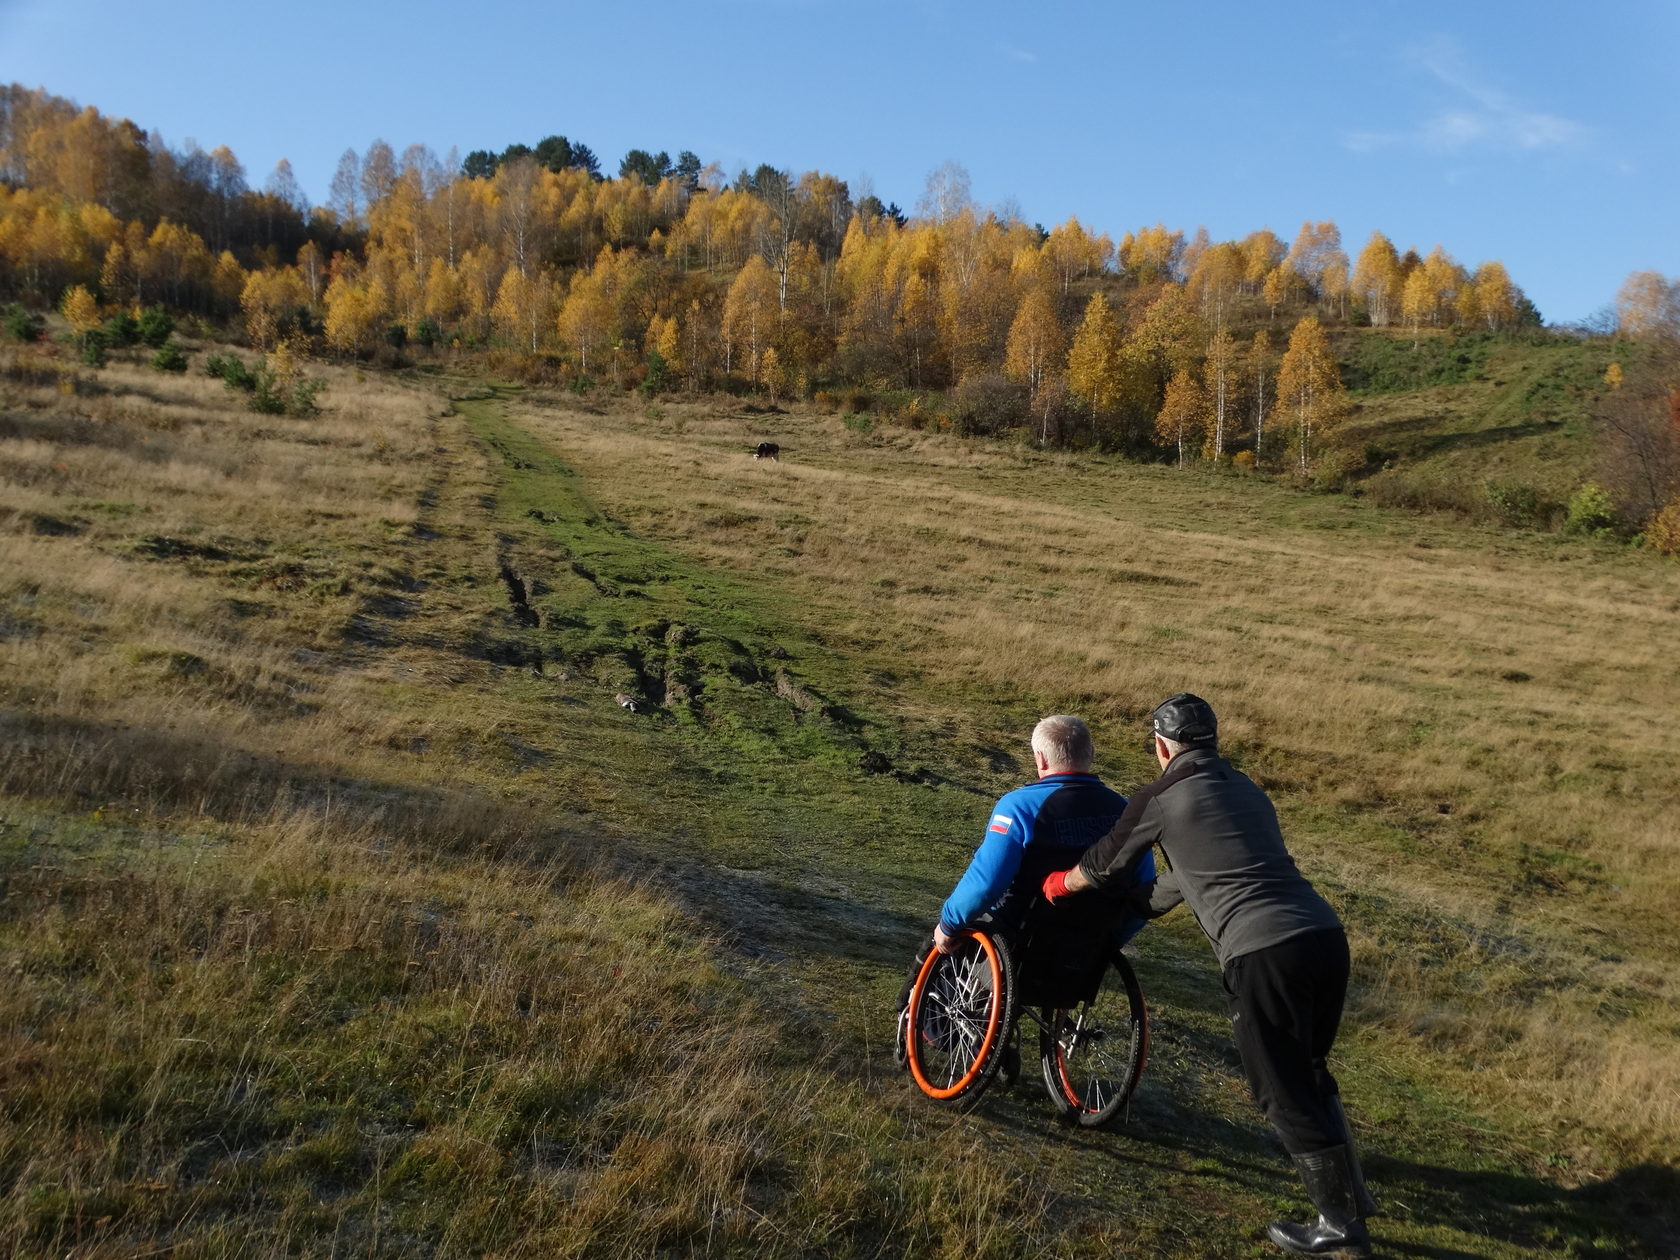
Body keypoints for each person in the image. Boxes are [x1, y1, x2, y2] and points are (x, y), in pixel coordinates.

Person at [1044, 693, 1375, 1258]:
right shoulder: (1248, 790)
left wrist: (1059, 885)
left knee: (1280, 1088)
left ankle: (1338, 1225)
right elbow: (1202, 871)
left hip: (1263, 950)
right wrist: (1145, 902)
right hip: (1323, 937)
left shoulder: (1161, 795)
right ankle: (1351, 1201)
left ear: (1161, 746)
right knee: (1311, 1070)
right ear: (1213, 741)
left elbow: (1101, 863)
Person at [897, 715, 1153, 1062]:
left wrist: (948, 924)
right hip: (1089, 943)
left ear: (1040, 759)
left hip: (1019, 939)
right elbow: (1143, 887)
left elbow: (986, 884)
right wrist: (1111, 942)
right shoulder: (1125, 812)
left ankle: (942, 1028)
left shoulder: (1019, 807)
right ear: (1091, 753)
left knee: (947, 939)